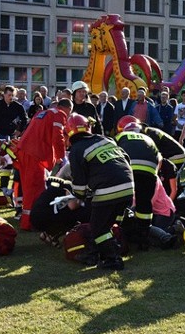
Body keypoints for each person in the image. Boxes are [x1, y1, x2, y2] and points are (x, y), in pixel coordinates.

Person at [67, 113, 133, 270]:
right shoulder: (106, 139)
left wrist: (77, 195)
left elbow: (79, 184)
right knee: (105, 223)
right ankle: (94, 253)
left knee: (98, 228)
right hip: (128, 187)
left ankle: (113, 259)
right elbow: (126, 159)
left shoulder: (76, 149)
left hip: (107, 190)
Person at [15, 99, 71, 230]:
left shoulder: (42, 113)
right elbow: (58, 137)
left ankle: (28, 219)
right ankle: (29, 222)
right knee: (36, 189)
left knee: (29, 188)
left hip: (24, 151)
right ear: (67, 109)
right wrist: (61, 157)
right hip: (35, 154)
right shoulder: (59, 114)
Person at [115, 119, 163, 247]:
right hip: (149, 172)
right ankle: (144, 238)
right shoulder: (149, 139)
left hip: (129, 171)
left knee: (122, 201)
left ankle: (119, 233)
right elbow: (159, 158)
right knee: (145, 204)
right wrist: (155, 174)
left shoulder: (120, 136)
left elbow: (113, 154)